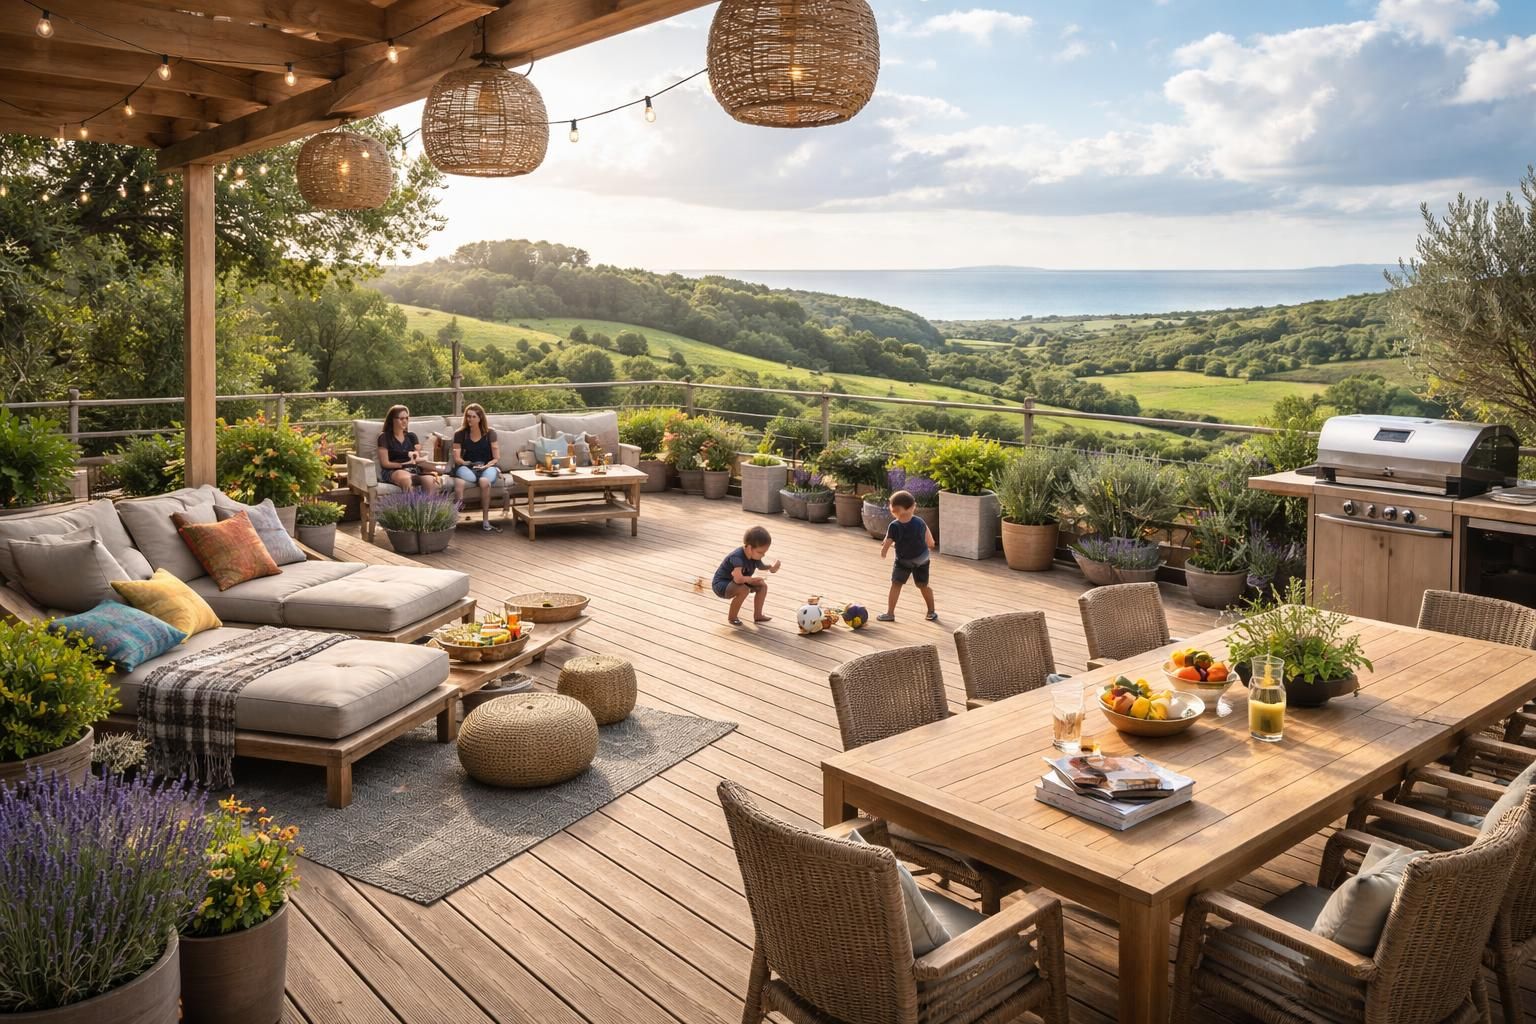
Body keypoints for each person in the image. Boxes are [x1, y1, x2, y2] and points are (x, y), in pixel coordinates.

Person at [879, 489, 937, 622]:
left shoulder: (894, 525)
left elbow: (888, 541)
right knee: (923, 585)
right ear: (913, 507)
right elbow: (931, 542)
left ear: (892, 509)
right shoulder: (920, 522)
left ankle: (890, 613)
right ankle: (931, 611)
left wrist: (884, 551)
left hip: (903, 561)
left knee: (896, 585)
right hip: (922, 559)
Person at [712, 525, 781, 626]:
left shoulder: (754, 556)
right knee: (744, 589)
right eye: (760, 552)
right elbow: (738, 579)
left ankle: (758, 615)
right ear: (749, 548)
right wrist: (751, 580)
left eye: (764, 552)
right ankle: (732, 617)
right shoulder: (737, 557)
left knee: (762, 585)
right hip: (722, 585)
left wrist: (772, 567)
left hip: (738, 582)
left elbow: (761, 566)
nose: (763, 555)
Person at [452, 403, 502, 532]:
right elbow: (457, 458)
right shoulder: (460, 434)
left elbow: (496, 458)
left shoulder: (490, 433)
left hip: (487, 466)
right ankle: (453, 520)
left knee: (484, 481)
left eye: (473, 417)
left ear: (480, 418)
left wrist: (486, 466)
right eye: (468, 416)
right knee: (467, 477)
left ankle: (486, 521)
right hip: (467, 466)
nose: (470, 419)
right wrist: (467, 464)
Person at [376, 404, 442, 493]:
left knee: (429, 480)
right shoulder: (384, 437)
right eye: (401, 419)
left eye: (406, 418)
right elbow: (385, 463)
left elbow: (416, 458)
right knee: (406, 478)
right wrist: (402, 465)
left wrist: (422, 458)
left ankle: (428, 502)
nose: (405, 421)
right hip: (394, 470)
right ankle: (411, 502)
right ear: (392, 420)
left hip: (413, 469)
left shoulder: (412, 436)